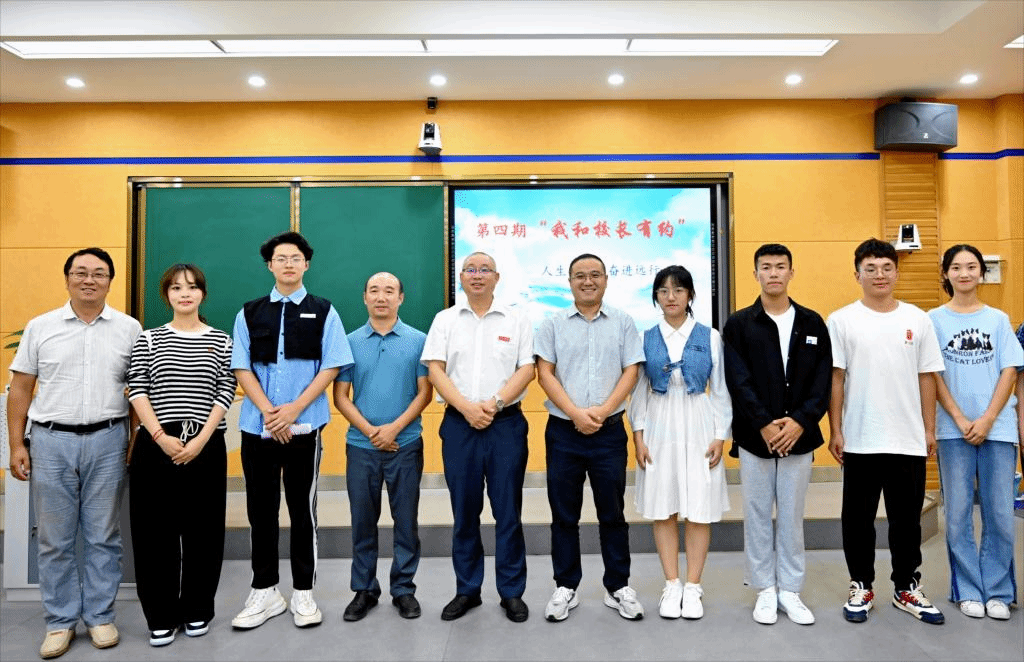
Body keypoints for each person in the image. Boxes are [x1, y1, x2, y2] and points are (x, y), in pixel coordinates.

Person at [6, 248, 141, 659]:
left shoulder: (129, 329)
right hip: (51, 442)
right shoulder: (41, 327)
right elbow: (21, 388)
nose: (89, 280)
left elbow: (138, 390)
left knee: (103, 535)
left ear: (109, 281)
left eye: (99, 273)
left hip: (108, 440)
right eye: (80, 272)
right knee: (54, 539)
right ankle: (60, 621)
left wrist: (134, 439)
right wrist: (16, 444)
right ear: (67, 279)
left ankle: (100, 616)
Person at [229, 231, 352, 630]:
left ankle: (303, 591)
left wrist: (294, 410)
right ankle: (265, 590)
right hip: (257, 427)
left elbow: (332, 365)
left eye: (295, 258)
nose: (288, 264)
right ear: (270, 265)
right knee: (260, 511)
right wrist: (270, 412)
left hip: (305, 427)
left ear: (306, 264)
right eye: (280, 258)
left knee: (303, 511)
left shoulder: (324, 311)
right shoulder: (249, 312)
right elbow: (241, 366)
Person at [827, 238, 945, 625]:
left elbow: (927, 377)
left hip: (907, 438)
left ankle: (906, 587)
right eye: (871, 268)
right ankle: (861, 584)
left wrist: (929, 429)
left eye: (886, 268)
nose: (879, 275)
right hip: (860, 438)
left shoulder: (918, 319)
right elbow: (836, 378)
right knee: (857, 520)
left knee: (906, 521)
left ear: (896, 272)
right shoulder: (841, 320)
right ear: (857, 274)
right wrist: (836, 429)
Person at [421, 252, 535, 623]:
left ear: (496, 277)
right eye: (470, 269)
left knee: (508, 512)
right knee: (464, 511)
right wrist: (467, 408)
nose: (477, 275)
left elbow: (527, 369)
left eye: (485, 269)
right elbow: (435, 369)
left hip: (505, 425)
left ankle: (511, 592)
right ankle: (467, 589)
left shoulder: (517, 318)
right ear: (461, 276)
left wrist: (494, 403)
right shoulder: (445, 319)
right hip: (459, 425)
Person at [126, 264, 236, 646]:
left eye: (191, 287)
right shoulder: (149, 339)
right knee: (154, 533)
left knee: (204, 531)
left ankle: (197, 609)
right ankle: (160, 615)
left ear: (202, 293)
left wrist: (202, 439)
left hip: (206, 443)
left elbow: (225, 389)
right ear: (166, 295)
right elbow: (137, 387)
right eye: (175, 287)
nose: (184, 293)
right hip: (156, 443)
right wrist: (159, 436)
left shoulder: (221, 341)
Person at [723, 244, 832, 626]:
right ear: (755, 274)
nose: (773, 273)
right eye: (766, 267)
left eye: (780, 267)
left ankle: (790, 589)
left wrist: (800, 421)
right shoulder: (739, 324)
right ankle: (764, 590)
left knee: (791, 515)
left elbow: (822, 381)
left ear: (791, 272)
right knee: (756, 514)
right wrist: (764, 424)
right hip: (755, 439)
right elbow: (737, 380)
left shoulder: (812, 322)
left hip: (800, 438)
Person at [535, 253, 645, 622]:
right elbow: (544, 373)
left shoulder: (623, 322)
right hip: (563, 432)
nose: (588, 281)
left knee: (612, 512)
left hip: (609, 431)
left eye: (595, 275)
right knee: (564, 513)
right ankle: (566, 586)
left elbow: (631, 370)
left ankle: (618, 586)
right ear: (569, 282)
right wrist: (576, 413)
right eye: (580, 275)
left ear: (605, 280)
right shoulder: (552, 323)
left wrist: (602, 410)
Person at [629, 265, 732, 620]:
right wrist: (638, 436)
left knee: (699, 505)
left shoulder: (710, 336)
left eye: (678, 290)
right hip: (659, 422)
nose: (670, 297)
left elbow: (720, 390)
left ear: (690, 295)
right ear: (656, 297)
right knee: (664, 505)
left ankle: (693, 586)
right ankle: (671, 584)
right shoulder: (645, 337)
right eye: (663, 291)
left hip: (699, 420)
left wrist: (720, 435)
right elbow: (638, 391)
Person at [928, 244, 1023, 620]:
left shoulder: (998, 320)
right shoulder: (933, 320)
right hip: (953, 432)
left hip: (997, 429)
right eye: (956, 267)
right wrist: (958, 417)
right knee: (958, 515)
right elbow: (933, 374)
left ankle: (998, 591)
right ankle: (967, 589)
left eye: (971, 266)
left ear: (981, 272)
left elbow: (1010, 370)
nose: (964, 273)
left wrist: (987, 419)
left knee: (1000, 513)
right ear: (946, 274)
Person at [334, 272, 432, 622]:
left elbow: (425, 393)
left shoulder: (419, 341)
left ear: (400, 298)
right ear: (364, 297)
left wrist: (394, 429)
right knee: (362, 521)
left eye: (389, 291)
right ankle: (364, 589)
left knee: (406, 521)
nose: (381, 297)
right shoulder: (348, 342)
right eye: (374, 290)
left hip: (405, 444)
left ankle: (403, 589)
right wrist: (372, 431)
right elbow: (341, 396)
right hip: (361, 446)